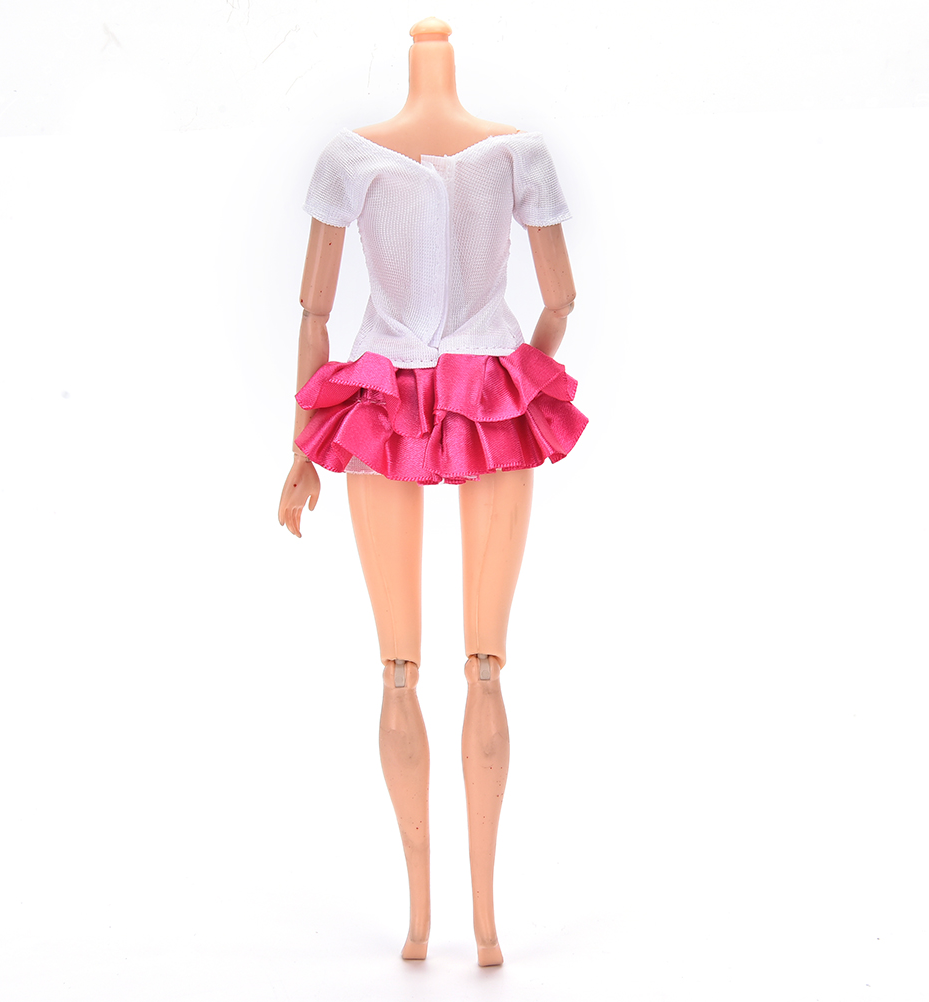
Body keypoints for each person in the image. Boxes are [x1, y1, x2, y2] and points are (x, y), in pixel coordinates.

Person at [277, 17, 586, 967]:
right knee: (475, 667)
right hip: (481, 392)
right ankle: (472, 926)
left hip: (387, 396)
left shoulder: (362, 158)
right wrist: (521, 383)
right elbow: (562, 300)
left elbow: (314, 313)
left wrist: (300, 449)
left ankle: (435, 922)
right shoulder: (509, 154)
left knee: (405, 669)